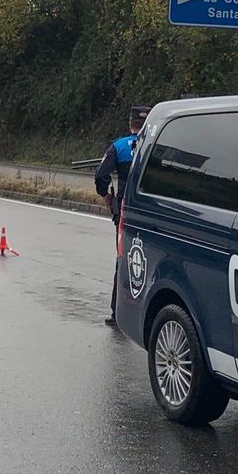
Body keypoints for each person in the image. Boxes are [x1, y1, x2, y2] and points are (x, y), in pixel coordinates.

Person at [95, 105, 150, 326]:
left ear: (130, 123)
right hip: (154, 213)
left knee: (124, 259)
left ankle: (119, 313)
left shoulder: (119, 147)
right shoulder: (158, 145)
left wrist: (106, 196)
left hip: (127, 212)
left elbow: (101, 175)